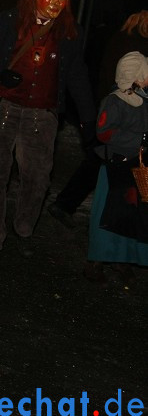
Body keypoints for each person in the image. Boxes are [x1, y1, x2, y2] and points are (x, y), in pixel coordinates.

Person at [0, 0, 95, 263]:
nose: (56, 2)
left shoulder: (70, 32)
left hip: (43, 116)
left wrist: (90, 119)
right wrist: (0, 73)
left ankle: (24, 228)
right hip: (4, 110)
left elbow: (77, 75)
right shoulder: (9, 20)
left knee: (37, 179)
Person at [48, 10, 148, 229]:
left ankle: (67, 204)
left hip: (110, 104)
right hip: (122, 110)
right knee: (104, 162)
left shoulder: (121, 38)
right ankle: (108, 220)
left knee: (99, 160)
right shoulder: (136, 46)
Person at [84, 51, 148, 283]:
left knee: (131, 215)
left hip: (138, 169)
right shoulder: (114, 101)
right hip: (115, 169)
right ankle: (97, 260)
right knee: (107, 215)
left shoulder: (144, 101)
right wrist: (139, 140)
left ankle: (122, 259)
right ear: (137, 75)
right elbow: (104, 133)